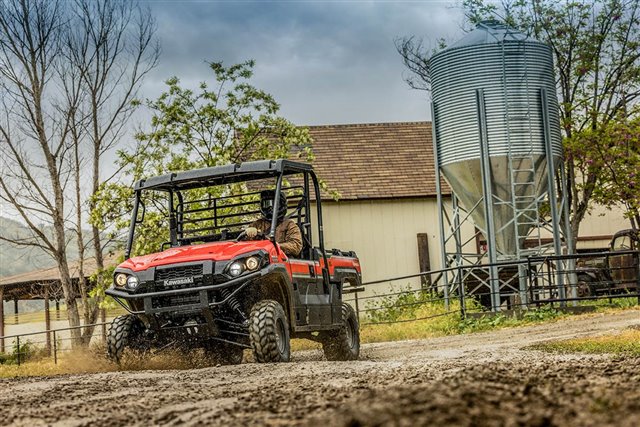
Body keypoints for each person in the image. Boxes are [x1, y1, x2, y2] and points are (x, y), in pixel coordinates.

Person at [244, 190, 302, 257]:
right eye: (267, 204)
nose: (270, 207)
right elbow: (245, 245)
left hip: (281, 259)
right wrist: (248, 234)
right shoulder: (257, 224)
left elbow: (296, 246)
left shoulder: (289, 225)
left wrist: (275, 246)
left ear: (281, 204)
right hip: (258, 261)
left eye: (274, 204)